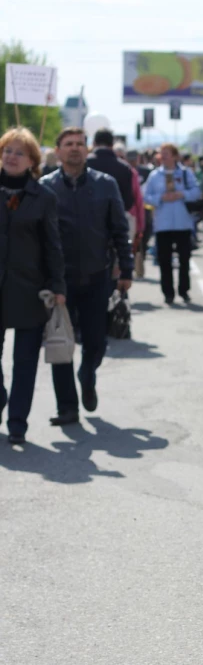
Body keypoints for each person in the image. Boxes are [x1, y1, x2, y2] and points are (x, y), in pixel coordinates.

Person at [41, 127, 133, 425]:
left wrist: (126, 269)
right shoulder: (45, 187)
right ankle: (67, 407)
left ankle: (88, 373)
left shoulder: (105, 185)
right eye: (68, 144)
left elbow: (120, 230)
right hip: (59, 281)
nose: (75, 149)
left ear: (88, 149)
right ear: (58, 150)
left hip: (97, 277)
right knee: (61, 344)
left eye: (80, 144)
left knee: (96, 342)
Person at [0, 127, 65, 445]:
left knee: (24, 363)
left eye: (19, 153)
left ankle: (17, 424)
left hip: (30, 291)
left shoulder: (44, 198)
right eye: (7, 150)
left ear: (32, 161)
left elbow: (54, 246)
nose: (11, 157)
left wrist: (58, 286)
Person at [143, 143, 201, 305]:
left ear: (175, 156)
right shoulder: (155, 176)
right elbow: (146, 196)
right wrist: (160, 198)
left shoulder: (184, 173)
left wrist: (181, 194)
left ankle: (184, 290)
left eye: (167, 153)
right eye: (162, 153)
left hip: (183, 223)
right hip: (163, 224)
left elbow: (196, 191)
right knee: (164, 260)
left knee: (184, 259)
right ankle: (168, 292)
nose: (164, 156)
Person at [114, 144, 145, 279]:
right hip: (125, 218)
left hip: (128, 218)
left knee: (123, 253)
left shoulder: (131, 172)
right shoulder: (129, 172)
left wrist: (140, 226)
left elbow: (138, 200)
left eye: (122, 157)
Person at [86, 128, 134, 211]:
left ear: (94, 143)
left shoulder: (84, 163)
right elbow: (128, 202)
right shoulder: (124, 167)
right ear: (112, 144)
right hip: (116, 218)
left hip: (87, 217)